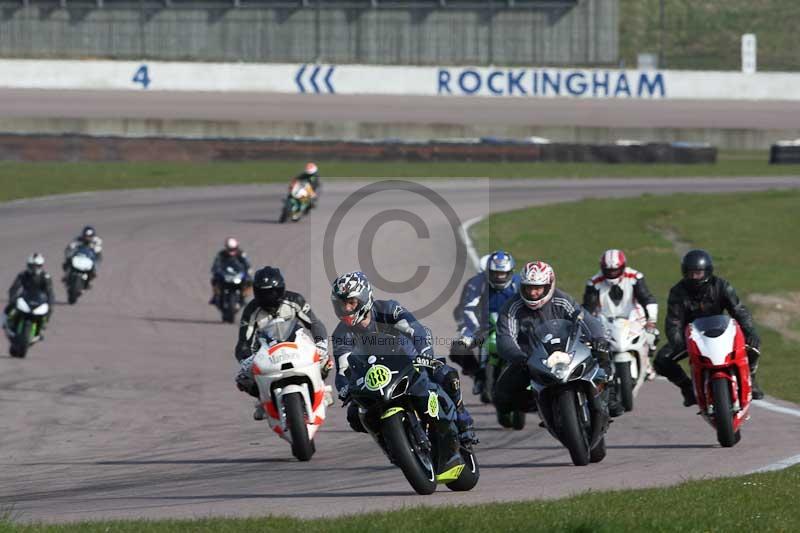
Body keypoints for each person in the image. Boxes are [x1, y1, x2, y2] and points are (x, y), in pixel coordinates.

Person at [330, 271, 477, 445]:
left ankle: (463, 421)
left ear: (364, 298)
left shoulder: (388, 309)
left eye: (351, 302)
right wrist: (345, 388)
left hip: (409, 363)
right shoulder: (341, 334)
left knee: (446, 376)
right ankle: (391, 444)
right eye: (342, 304)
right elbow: (342, 369)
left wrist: (425, 357)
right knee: (354, 416)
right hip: (374, 379)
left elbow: (418, 331)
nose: (346, 308)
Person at [495, 261, 613, 417]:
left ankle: (609, 397)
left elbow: (586, 318)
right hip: (531, 360)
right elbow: (505, 338)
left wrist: (599, 337)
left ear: (549, 285)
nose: (533, 293)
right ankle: (534, 403)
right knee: (501, 397)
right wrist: (518, 357)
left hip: (568, 352)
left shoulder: (562, 300)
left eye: (538, 288)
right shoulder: (511, 308)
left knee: (602, 354)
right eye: (529, 288)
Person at [654, 249, 763, 406]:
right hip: (690, 336)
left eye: (698, 273)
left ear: (707, 272)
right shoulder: (677, 292)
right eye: (690, 273)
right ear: (684, 273)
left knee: (753, 345)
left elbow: (739, 310)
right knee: (661, 361)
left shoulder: (722, 286)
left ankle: (751, 378)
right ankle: (688, 388)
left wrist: (750, 331)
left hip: (722, 331)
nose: (694, 277)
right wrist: (679, 343)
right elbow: (674, 322)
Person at [233, 266, 331, 420]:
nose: (269, 297)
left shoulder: (295, 300)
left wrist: (321, 345)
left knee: (325, 360)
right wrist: (246, 360)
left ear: (281, 289)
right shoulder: (251, 311)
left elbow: (315, 324)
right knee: (243, 378)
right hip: (267, 353)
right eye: (263, 293)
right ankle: (263, 401)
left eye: (272, 292)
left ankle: (321, 390)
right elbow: (243, 342)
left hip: (296, 346)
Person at [583, 248, 659, 413]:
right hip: (605, 319)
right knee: (593, 344)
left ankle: (647, 363)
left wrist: (651, 320)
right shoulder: (594, 282)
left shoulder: (635, 277)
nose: (612, 273)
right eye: (609, 270)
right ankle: (602, 371)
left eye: (615, 270)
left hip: (632, 316)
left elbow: (647, 298)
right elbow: (588, 307)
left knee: (653, 335)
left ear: (623, 267)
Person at [450, 250, 520, 396]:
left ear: (511, 272)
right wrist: (476, 329)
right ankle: (477, 375)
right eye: (495, 273)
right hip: (482, 325)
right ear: (488, 271)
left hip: (514, 325)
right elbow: (467, 308)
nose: (499, 277)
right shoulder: (476, 283)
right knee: (458, 348)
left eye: (503, 274)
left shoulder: (519, 283)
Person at [4, 253, 54, 332]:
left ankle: (42, 327)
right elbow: (14, 288)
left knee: (49, 310)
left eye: (36, 266)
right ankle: (3, 321)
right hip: (25, 297)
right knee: (10, 307)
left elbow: (50, 292)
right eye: (32, 266)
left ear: (40, 266)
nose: (34, 268)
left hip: (40, 300)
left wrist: (50, 304)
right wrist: (12, 298)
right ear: (28, 265)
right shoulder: (23, 275)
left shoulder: (45, 277)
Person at [209, 237, 251, 305]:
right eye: (230, 249)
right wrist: (215, 269)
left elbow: (246, 263)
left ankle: (243, 296)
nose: (231, 251)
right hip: (225, 273)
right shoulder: (221, 254)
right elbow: (216, 263)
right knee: (214, 280)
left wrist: (248, 269)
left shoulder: (241, 254)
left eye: (233, 249)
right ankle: (215, 296)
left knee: (249, 281)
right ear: (226, 247)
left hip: (237, 273)